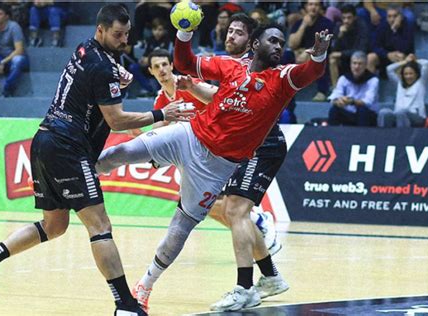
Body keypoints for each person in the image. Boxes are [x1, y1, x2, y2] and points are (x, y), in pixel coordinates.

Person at [0, 4, 191, 315]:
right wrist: (162, 113)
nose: (123, 40)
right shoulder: (102, 66)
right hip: (66, 146)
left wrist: (117, 69)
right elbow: (116, 120)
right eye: (117, 34)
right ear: (101, 29)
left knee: (54, 225)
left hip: (45, 140)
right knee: (100, 225)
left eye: (126, 34)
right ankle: (125, 305)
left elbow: (97, 79)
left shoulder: (85, 49)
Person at [95, 16, 331, 311]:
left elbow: (311, 71)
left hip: (217, 167)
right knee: (125, 152)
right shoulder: (230, 66)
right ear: (256, 44)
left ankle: (145, 286)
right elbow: (185, 61)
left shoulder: (282, 79)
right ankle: (82, 174)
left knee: (183, 227)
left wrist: (319, 53)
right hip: (190, 136)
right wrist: (184, 31)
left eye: (282, 43)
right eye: (273, 40)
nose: (279, 47)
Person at [288, 0, 333, 101]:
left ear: (320, 8)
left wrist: (307, 52)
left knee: (321, 57)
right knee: (287, 55)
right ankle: (282, 86)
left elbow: (323, 44)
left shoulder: (326, 23)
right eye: (311, 4)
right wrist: (303, 25)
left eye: (316, 5)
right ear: (306, 7)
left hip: (319, 52)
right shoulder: (299, 23)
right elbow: (292, 44)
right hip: (300, 54)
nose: (313, 7)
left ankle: (322, 91)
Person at [328, 51, 379, 126]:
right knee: (334, 109)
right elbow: (335, 95)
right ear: (350, 65)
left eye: (360, 64)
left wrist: (352, 101)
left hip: (368, 114)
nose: (356, 67)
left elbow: (368, 101)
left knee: (362, 110)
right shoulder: (344, 78)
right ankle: (332, 135)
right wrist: (338, 101)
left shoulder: (373, 80)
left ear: (365, 65)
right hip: (349, 113)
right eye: (354, 63)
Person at [378, 54, 428, 127]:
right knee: (384, 112)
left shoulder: (421, 83)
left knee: (401, 112)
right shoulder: (399, 84)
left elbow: (426, 63)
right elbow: (389, 69)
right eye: (406, 74)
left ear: (416, 74)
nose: (408, 76)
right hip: (399, 114)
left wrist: (413, 61)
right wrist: (405, 61)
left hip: (417, 117)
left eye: (411, 74)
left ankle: (402, 136)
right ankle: (384, 136)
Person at [367, 5, 415, 75]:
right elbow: (374, 46)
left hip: (401, 57)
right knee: (370, 57)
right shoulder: (382, 25)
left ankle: (401, 84)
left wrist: (394, 30)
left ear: (400, 17)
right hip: (386, 56)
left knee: (400, 56)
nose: (392, 19)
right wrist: (387, 54)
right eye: (389, 16)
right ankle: (370, 84)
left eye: (395, 16)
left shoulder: (407, 26)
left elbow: (404, 48)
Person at [329, 4, 369, 87]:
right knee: (332, 59)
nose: (346, 21)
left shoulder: (362, 27)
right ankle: (336, 90)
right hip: (344, 59)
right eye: (343, 18)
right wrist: (339, 36)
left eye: (349, 18)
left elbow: (361, 50)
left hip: (357, 57)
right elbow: (332, 49)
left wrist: (341, 54)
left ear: (355, 17)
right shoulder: (338, 26)